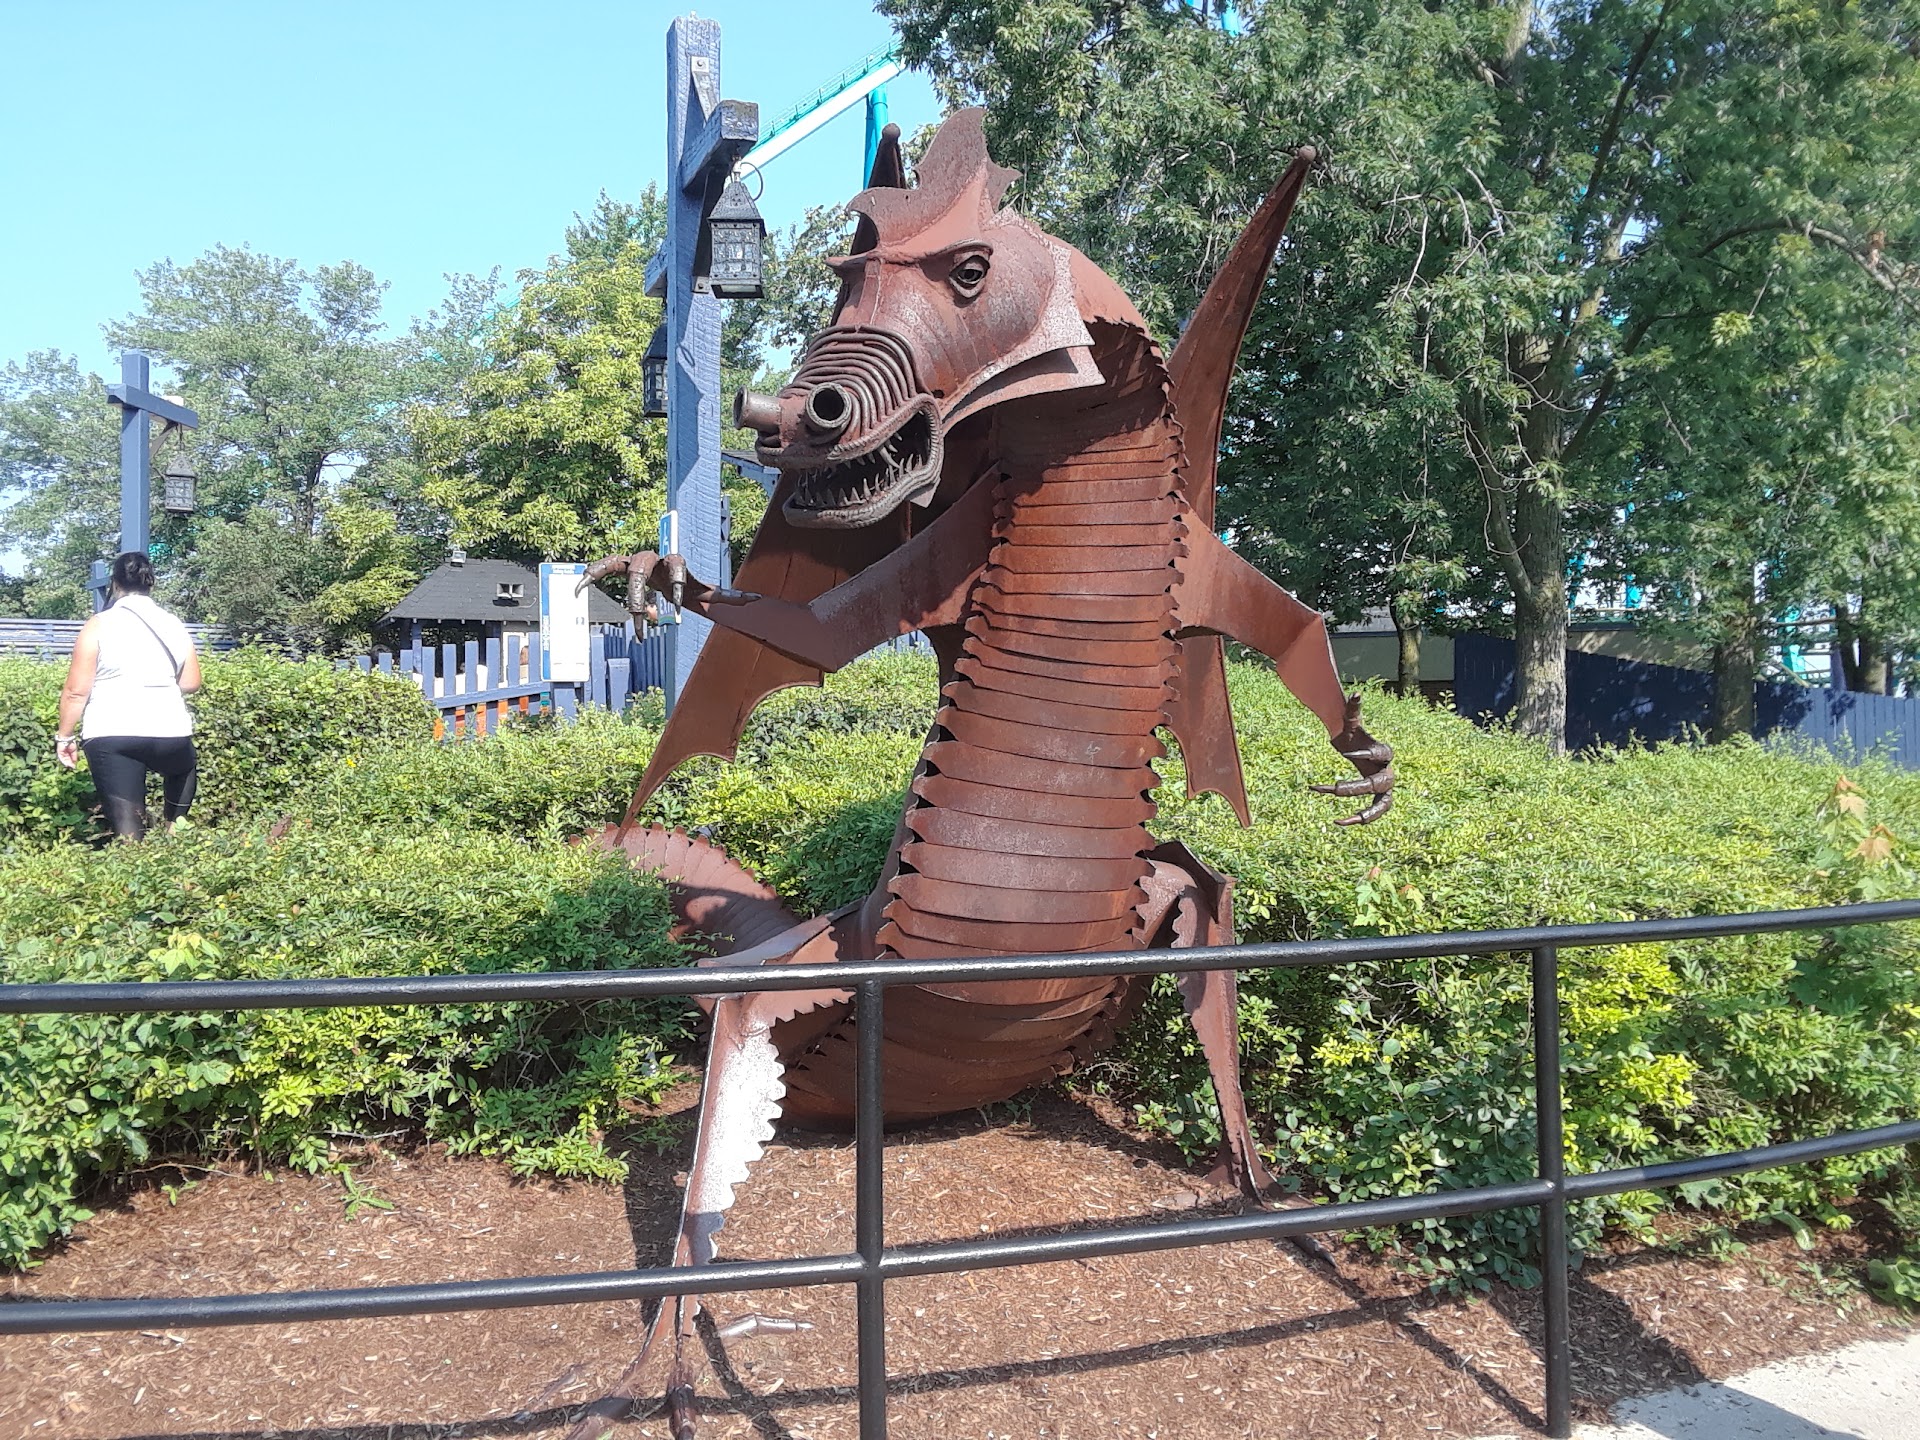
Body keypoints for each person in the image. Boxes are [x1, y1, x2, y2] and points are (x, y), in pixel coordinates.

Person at [54, 553, 203, 838]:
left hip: (112, 731)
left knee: (129, 833)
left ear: (114, 584)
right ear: (151, 583)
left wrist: (65, 737)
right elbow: (191, 682)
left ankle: (133, 853)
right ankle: (175, 832)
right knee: (183, 768)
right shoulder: (173, 623)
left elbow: (76, 691)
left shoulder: (99, 624)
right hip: (170, 730)